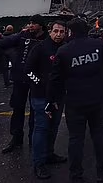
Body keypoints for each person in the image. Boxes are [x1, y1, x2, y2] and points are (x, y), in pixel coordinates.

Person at [47, 18, 103, 182]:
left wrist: (52, 99)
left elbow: (55, 78)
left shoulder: (64, 51)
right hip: (97, 99)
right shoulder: (98, 45)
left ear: (70, 32)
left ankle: (76, 174)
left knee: (76, 139)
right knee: (99, 135)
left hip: (74, 101)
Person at [0, 15, 47, 153]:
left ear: (41, 25)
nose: (31, 26)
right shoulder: (23, 36)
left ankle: (33, 139)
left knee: (35, 110)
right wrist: (13, 56)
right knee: (18, 108)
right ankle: (16, 137)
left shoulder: (46, 39)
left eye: (34, 23)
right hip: (20, 77)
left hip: (36, 79)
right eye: (30, 23)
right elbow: (1, 44)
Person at [25, 20, 68, 179]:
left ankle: (49, 154)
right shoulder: (40, 48)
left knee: (54, 127)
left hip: (58, 96)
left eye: (61, 32)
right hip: (41, 97)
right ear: (50, 31)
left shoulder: (65, 48)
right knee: (41, 128)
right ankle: (39, 163)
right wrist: (40, 84)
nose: (58, 34)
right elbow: (28, 70)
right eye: (55, 31)